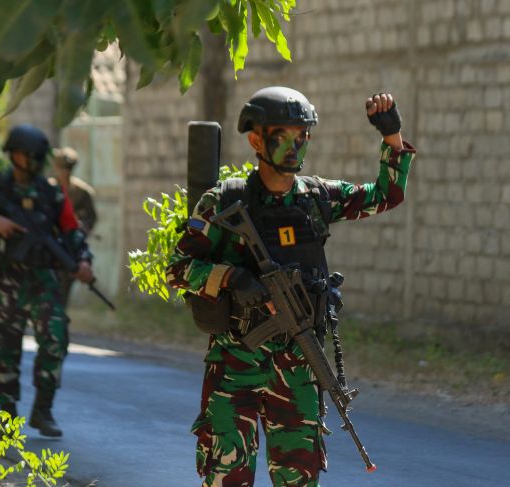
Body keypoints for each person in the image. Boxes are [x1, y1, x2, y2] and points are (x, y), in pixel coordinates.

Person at [166, 87, 416, 486]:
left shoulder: (317, 198)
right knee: (227, 478)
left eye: (301, 136)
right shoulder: (225, 201)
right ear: (255, 139)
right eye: (282, 135)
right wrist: (232, 278)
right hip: (236, 366)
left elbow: (387, 195)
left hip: (298, 365)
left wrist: (391, 137)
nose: (294, 145)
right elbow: (177, 268)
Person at [0, 124, 95, 437]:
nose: (33, 161)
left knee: (55, 337)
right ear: (15, 155)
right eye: (28, 155)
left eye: (37, 156)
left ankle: (42, 410)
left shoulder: (50, 192)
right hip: (6, 278)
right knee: (5, 347)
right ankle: (7, 418)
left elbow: (71, 230)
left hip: (43, 278)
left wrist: (84, 260)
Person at [49, 147, 97, 306]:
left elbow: (91, 218)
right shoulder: (47, 189)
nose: (64, 172)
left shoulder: (82, 192)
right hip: (49, 246)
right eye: (62, 168)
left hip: (70, 247)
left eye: (67, 168)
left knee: (63, 292)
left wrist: (82, 231)